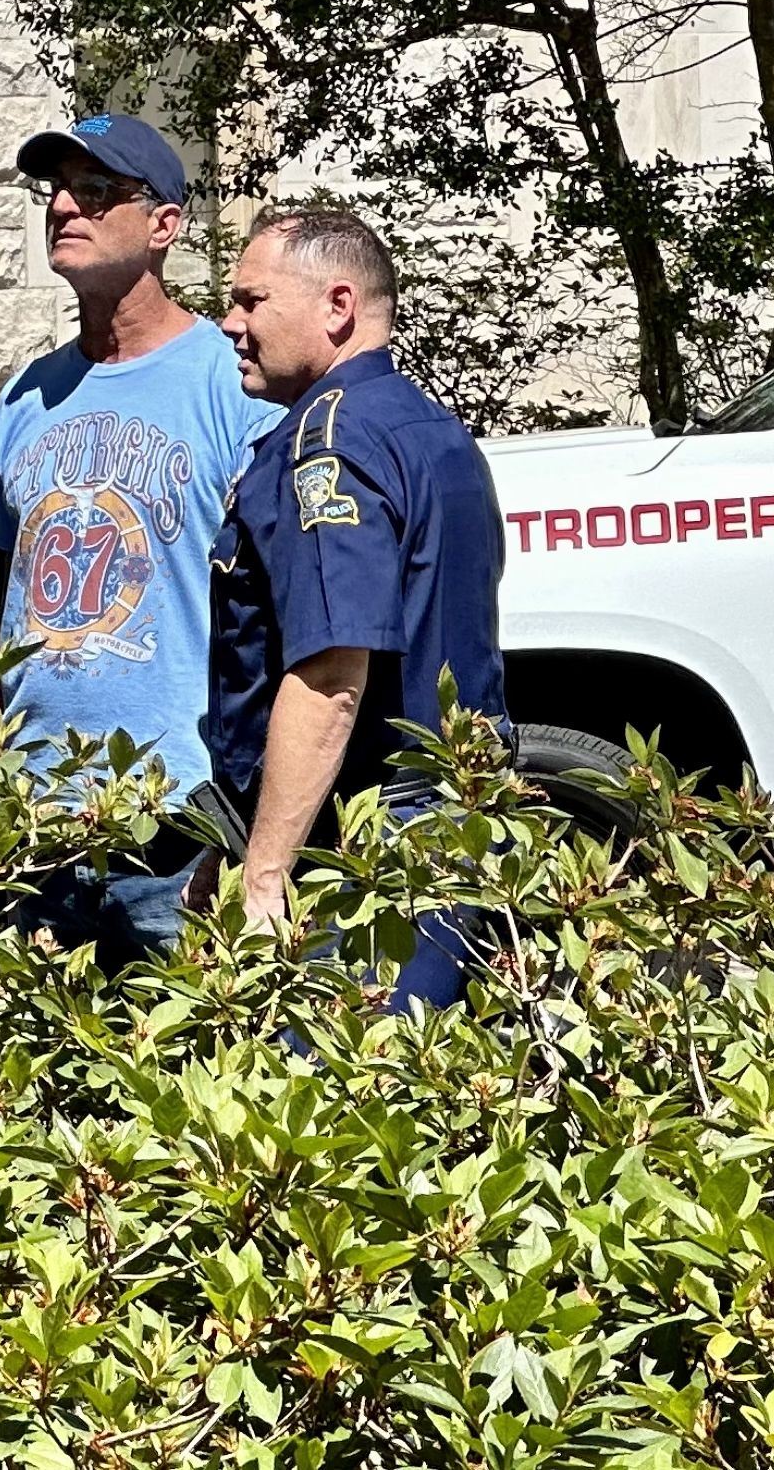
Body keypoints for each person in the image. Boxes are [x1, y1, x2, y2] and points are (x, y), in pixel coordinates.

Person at [0, 114, 284, 965]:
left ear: (164, 225)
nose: (67, 206)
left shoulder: (235, 382)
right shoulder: (24, 398)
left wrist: (248, 833)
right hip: (32, 836)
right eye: (57, 190)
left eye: (100, 191)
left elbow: (279, 609)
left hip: (180, 829)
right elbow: (3, 606)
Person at [204, 203, 506, 1010]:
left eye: (251, 300)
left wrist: (264, 875)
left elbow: (332, 674)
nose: (230, 323)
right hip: (447, 820)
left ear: (337, 307)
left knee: (339, 1106)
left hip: (374, 840)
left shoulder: (328, 443)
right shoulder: (424, 425)